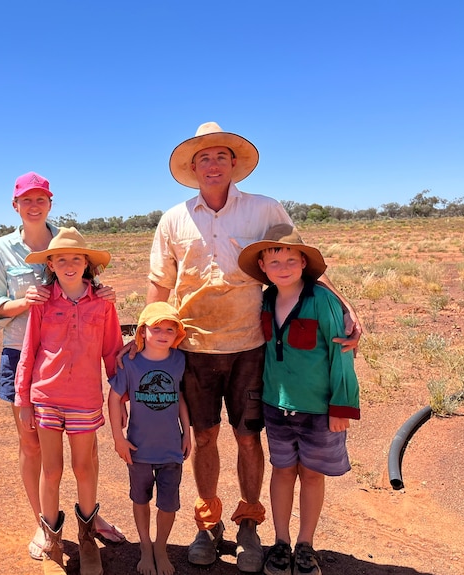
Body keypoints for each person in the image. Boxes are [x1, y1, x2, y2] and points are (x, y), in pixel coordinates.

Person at [129, 122, 361, 572]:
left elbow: (300, 258)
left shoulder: (264, 209)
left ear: (234, 164)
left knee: (248, 436)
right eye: (203, 159)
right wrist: (145, 337)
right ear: (192, 168)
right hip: (193, 346)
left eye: (220, 157)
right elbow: (160, 284)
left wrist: (346, 305)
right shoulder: (174, 219)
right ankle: (207, 524)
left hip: (252, 346)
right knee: (203, 436)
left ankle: (250, 524)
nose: (212, 165)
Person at [0, 172, 125, 563]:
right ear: (15, 205)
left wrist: (104, 294)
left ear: (50, 202)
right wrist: (23, 303)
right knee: (33, 447)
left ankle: (89, 521)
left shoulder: (67, 242)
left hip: (78, 373)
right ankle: (45, 526)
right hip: (24, 357)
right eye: (26, 199)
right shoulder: (2, 249)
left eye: (40, 198)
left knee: (85, 451)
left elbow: (94, 299)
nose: (34, 204)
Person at [237, 224, 360, 575]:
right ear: (262, 266)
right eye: (275, 262)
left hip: (319, 409)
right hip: (277, 406)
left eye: (292, 259)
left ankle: (306, 545)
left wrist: (341, 406)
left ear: (304, 263)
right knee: (282, 469)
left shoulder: (321, 301)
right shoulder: (265, 299)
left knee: (311, 474)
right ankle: (281, 541)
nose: (284, 267)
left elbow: (342, 355)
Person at [15, 227, 123, 575]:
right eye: (61, 259)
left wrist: (121, 392)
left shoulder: (103, 303)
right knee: (53, 469)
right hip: (46, 397)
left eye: (76, 258)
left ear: (87, 264)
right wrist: (23, 397)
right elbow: (29, 350)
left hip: (85, 399)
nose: (69, 264)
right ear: (51, 263)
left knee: (84, 466)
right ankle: (52, 539)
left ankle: (88, 539)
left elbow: (111, 350)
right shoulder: (44, 302)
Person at [108, 302, 191, 575]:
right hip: (138, 448)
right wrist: (118, 439)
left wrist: (186, 431)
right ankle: (145, 545)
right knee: (140, 499)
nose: (164, 334)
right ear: (143, 331)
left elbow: (179, 397)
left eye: (170, 329)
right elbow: (114, 397)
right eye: (156, 328)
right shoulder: (131, 363)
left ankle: (160, 547)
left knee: (168, 503)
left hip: (170, 449)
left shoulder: (178, 360)